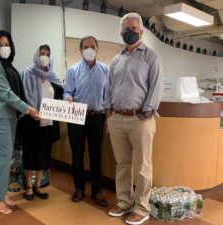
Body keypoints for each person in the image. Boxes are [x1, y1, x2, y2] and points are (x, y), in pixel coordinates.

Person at [104, 13, 163, 225]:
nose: (130, 31)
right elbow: (109, 87)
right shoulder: (115, 60)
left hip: (141, 118)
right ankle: (125, 202)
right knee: (122, 164)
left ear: (141, 31)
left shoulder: (151, 56)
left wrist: (147, 112)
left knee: (143, 165)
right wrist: (108, 111)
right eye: (126, 28)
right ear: (121, 33)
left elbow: (156, 87)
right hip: (117, 118)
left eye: (134, 27)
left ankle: (142, 208)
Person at [0, 30, 40, 214]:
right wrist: (28, 108)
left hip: (9, 116)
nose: (4, 48)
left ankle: (1, 193)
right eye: (1, 45)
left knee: (6, 158)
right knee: (3, 158)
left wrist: (24, 108)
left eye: (7, 44)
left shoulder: (8, 66)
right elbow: (5, 92)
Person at [64, 36, 109, 207]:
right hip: (76, 117)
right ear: (80, 50)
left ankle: (97, 191)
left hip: (97, 117)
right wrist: (68, 97)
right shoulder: (73, 70)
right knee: (77, 154)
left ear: (97, 49)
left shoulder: (106, 70)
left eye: (92, 46)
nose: (89, 49)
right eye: (85, 47)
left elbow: (108, 96)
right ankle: (79, 188)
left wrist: (107, 119)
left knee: (96, 156)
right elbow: (68, 91)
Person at [18, 45, 63, 201]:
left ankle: (38, 185)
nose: (45, 56)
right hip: (30, 122)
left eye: (48, 54)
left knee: (44, 156)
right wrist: (30, 110)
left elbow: (60, 98)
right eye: (42, 53)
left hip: (48, 124)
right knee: (30, 155)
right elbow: (20, 97)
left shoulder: (53, 77)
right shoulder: (26, 74)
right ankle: (29, 187)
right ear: (37, 55)